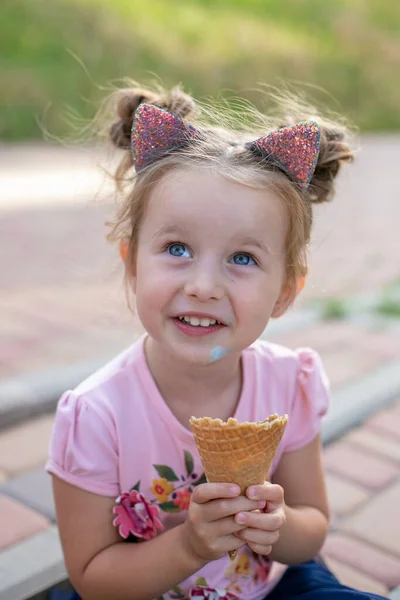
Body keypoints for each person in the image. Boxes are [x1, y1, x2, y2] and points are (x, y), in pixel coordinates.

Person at [46, 83, 383, 600]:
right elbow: (93, 578)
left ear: (286, 291)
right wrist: (189, 547)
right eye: (177, 247)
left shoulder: (288, 381)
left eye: (243, 258)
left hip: (266, 589)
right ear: (133, 263)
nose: (204, 286)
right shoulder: (96, 414)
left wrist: (277, 523)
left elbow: (312, 526)